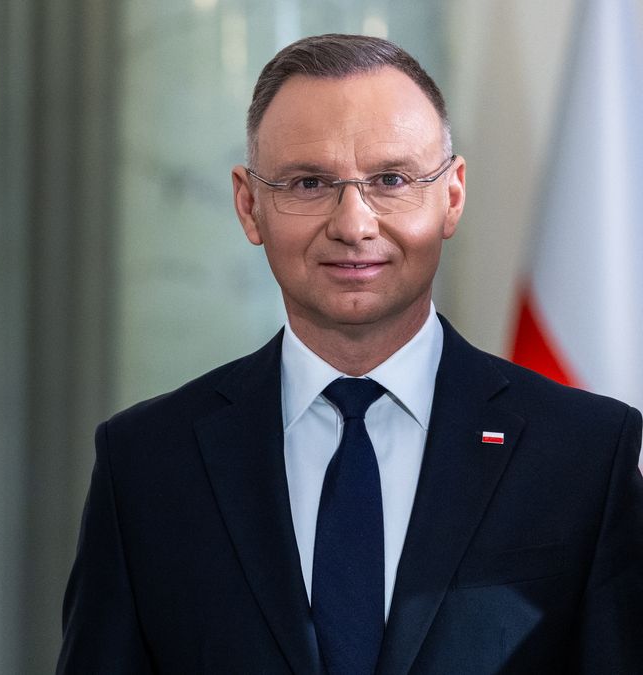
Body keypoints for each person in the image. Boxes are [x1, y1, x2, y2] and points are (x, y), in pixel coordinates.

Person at [58, 34, 642, 674]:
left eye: (391, 179)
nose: (354, 224)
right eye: (309, 182)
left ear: (452, 195)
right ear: (249, 205)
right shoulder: (145, 464)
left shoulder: (585, 455)